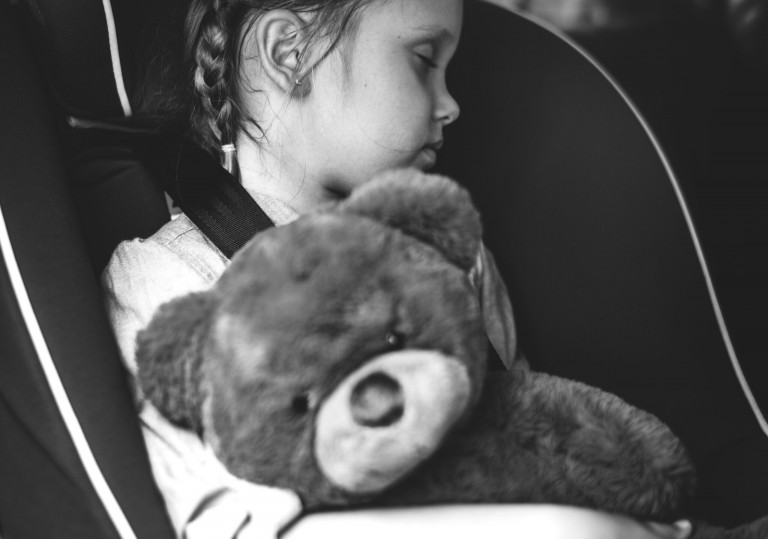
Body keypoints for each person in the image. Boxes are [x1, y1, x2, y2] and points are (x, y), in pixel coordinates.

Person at [102, 0, 695, 537]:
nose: (451, 103)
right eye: (423, 59)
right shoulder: (166, 283)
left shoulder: (442, 249)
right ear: (289, 53)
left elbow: (517, 429)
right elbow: (229, 526)